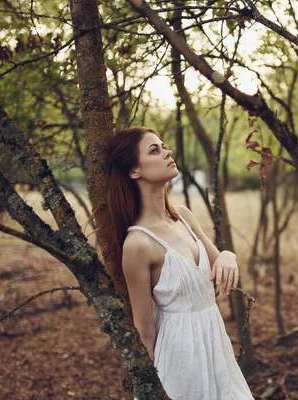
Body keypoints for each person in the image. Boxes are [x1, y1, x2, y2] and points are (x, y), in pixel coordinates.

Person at [101, 127, 254, 399]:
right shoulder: (138, 245)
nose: (167, 152)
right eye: (154, 150)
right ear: (134, 171)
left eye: (163, 146)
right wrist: (147, 391)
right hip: (179, 359)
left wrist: (229, 255)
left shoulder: (183, 216)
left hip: (216, 347)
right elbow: (144, 331)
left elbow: (219, 260)